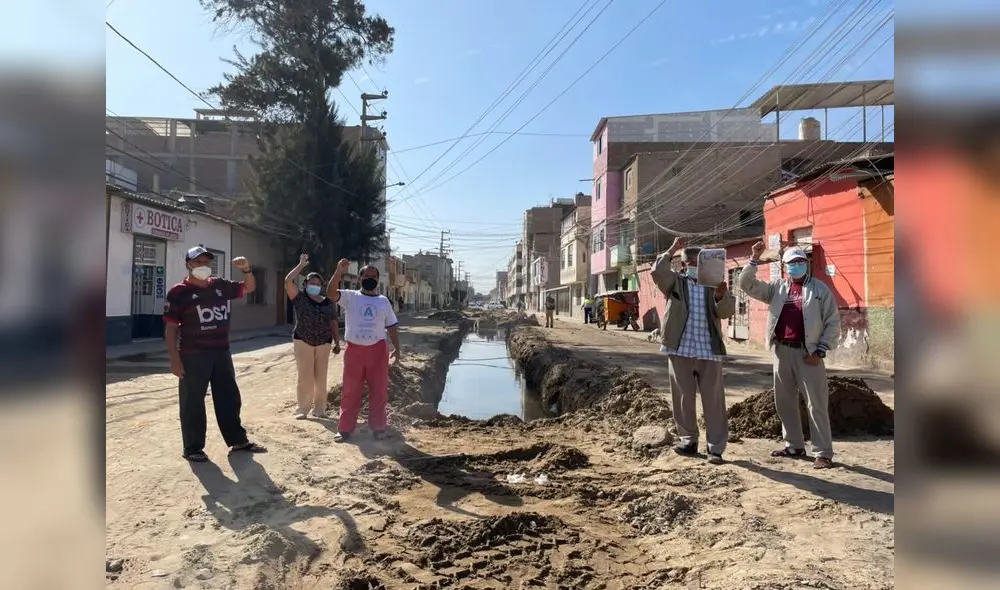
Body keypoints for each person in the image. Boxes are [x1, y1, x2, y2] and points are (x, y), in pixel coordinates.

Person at [739, 242, 841, 469]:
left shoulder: (820, 290)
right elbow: (746, 284)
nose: (796, 266)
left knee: (816, 404)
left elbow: (833, 322)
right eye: (791, 263)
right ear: (784, 267)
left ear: (806, 264)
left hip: (809, 353)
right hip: (781, 351)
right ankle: (794, 445)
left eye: (800, 262)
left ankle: (823, 453)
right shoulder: (777, 288)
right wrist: (754, 258)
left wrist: (821, 350)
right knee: (784, 401)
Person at [164, 245, 268, 463]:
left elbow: (248, 288)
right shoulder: (178, 293)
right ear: (188, 265)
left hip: (221, 352)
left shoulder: (219, 285)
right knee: (192, 401)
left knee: (229, 397)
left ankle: (237, 440)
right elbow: (171, 328)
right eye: (198, 262)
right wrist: (174, 360)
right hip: (193, 355)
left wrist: (247, 270)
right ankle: (193, 447)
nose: (203, 266)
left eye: (206, 262)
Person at [650, 237, 736, 465]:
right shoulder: (675, 283)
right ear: (684, 264)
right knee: (683, 398)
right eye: (693, 261)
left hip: (709, 349)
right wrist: (672, 248)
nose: (698, 266)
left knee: (714, 401)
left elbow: (727, 312)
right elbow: (657, 271)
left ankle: (715, 449)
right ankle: (688, 440)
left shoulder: (714, 285)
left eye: (701, 262)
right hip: (681, 349)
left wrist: (721, 296)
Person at [327, 259, 401, 442]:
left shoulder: (384, 302)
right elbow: (330, 293)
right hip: (354, 351)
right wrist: (338, 271)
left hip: (378, 351)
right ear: (360, 278)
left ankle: (378, 427)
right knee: (350, 391)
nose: (370, 279)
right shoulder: (350, 296)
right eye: (366, 276)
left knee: (379, 391)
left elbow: (392, 327)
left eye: (373, 276)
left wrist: (397, 348)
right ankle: (344, 429)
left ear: (378, 279)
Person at [285, 253, 341, 420]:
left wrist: (337, 342)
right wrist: (301, 265)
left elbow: (333, 323)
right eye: (312, 283)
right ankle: (303, 409)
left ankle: (320, 409)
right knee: (305, 376)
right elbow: (288, 281)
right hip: (303, 340)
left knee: (321, 377)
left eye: (318, 283)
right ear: (305, 284)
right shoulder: (299, 298)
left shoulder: (328, 302)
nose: (315, 285)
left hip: (324, 343)